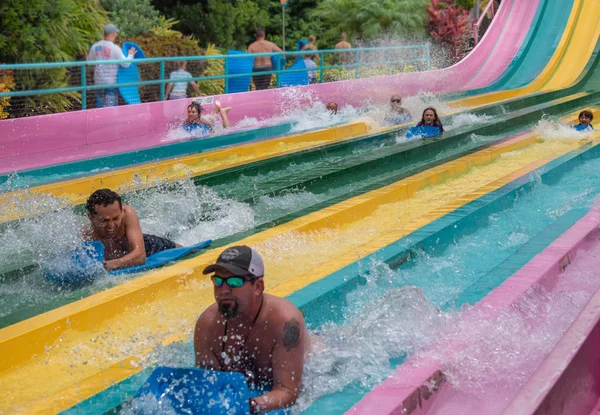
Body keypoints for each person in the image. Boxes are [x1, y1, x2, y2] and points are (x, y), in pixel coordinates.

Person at [194, 246, 307, 413]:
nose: (224, 290)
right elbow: (209, 385)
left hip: (315, 367)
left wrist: (247, 407)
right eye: (218, 281)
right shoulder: (207, 326)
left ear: (258, 287)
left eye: (234, 282)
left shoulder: (285, 322)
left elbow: (288, 392)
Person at [83, 189, 180, 271]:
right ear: (90, 217)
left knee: (179, 249)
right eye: (105, 220)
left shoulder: (128, 213)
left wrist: (112, 264)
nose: (111, 225)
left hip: (148, 245)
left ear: (121, 212)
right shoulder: (87, 235)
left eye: (116, 218)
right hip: (125, 253)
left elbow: (140, 256)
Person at [86, 24, 137, 108]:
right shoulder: (115, 48)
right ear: (113, 33)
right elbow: (125, 64)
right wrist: (130, 55)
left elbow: (88, 62)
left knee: (100, 107)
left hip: (98, 81)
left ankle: (101, 121)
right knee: (110, 108)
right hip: (111, 82)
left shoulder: (95, 46)